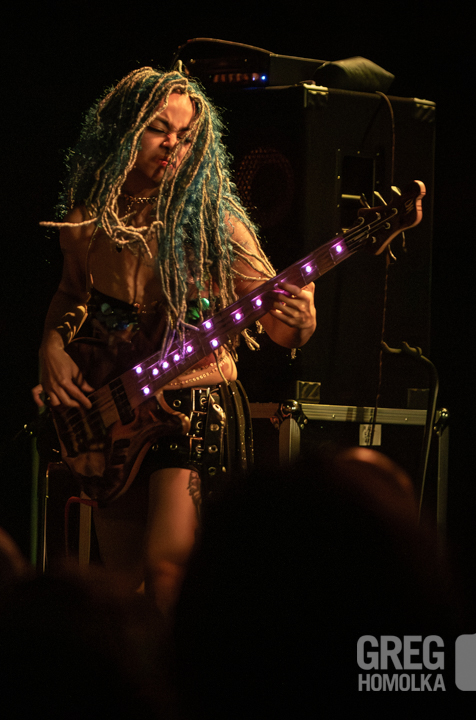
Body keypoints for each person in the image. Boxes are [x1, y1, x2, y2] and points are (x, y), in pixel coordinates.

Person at [32, 68, 316, 616]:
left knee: (167, 576)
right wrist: (51, 346)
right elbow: (71, 294)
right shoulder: (89, 217)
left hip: (194, 406)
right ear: (122, 131)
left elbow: (282, 328)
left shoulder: (216, 223)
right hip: (119, 413)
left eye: (185, 136)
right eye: (159, 129)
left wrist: (301, 319)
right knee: (122, 595)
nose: (173, 145)